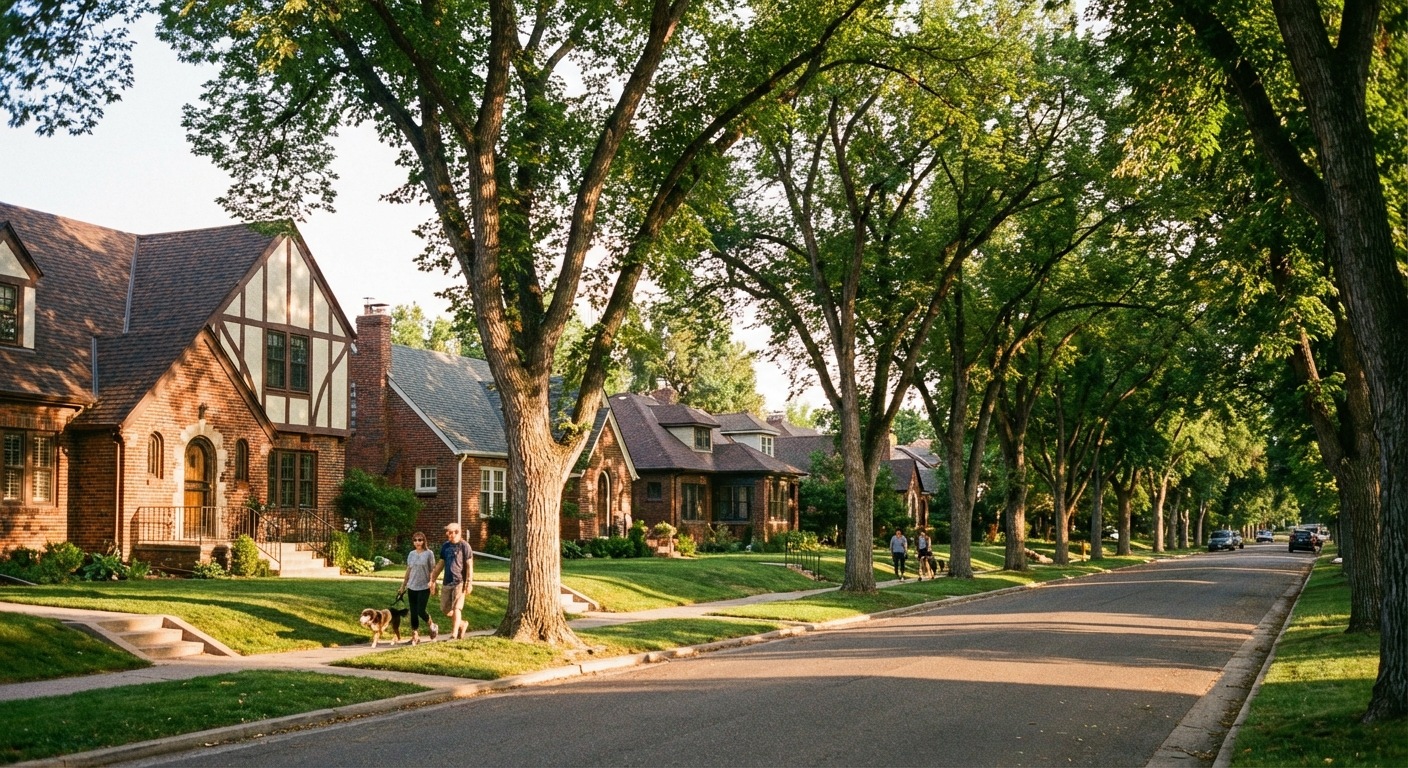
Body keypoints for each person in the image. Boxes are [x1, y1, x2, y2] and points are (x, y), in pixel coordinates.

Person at [430, 522, 474, 640]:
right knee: (445, 609)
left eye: (450, 532)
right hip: (447, 582)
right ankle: (462, 624)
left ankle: (454, 635)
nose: (448, 534)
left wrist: (469, 582)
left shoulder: (465, 546)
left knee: (456, 608)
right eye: (448, 532)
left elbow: (469, 564)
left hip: (460, 581)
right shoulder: (445, 546)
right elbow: (441, 563)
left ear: (457, 532)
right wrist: (433, 579)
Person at [399, 531, 436, 644]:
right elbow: (409, 570)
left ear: (424, 541)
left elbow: (432, 570)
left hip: (424, 586)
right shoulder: (411, 554)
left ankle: (432, 625)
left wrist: (432, 583)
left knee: (420, 610)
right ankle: (415, 635)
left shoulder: (429, 554)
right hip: (412, 586)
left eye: (420, 540)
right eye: (415, 540)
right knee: (413, 612)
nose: (417, 542)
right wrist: (403, 586)